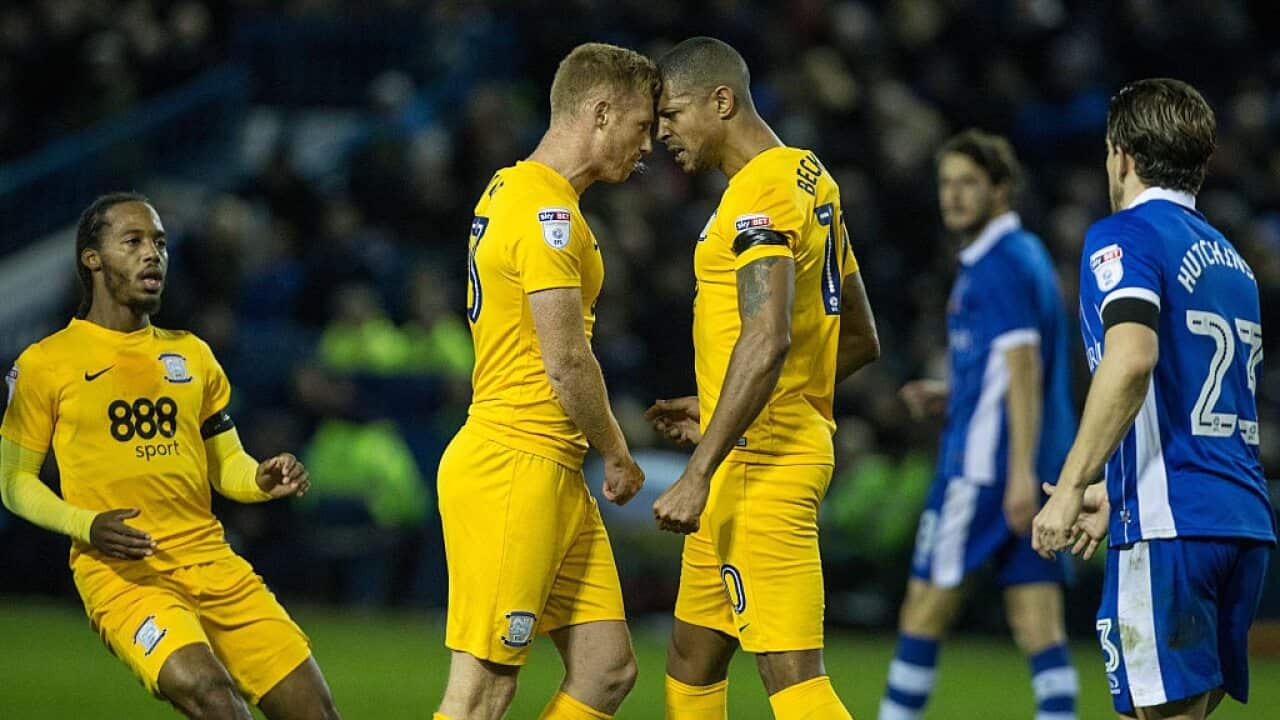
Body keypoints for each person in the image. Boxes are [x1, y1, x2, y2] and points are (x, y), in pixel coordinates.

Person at [0, 192, 340, 720]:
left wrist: (262, 479)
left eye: (159, 242)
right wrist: (85, 524)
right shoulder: (46, 363)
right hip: (124, 574)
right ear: (92, 257)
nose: (152, 254)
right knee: (210, 694)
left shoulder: (191, 354)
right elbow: (13, 482)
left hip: (213, 561)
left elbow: (226, 464)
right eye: (133, 241)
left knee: (315, 713)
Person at [646, 36, 879, 720]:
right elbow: (859, 337)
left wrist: (698, 470)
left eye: (672, 115)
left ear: (722, 101)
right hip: (754, 442)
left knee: (793, 677)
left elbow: (769, 335)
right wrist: (722, 399)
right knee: (691, 660)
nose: (663, 135)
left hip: (759, 464)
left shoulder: (760, 198)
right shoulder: (809, 176)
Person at [1034, 78, 1276, 720]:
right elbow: (1194, 397)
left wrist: (1068, 486)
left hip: (1173, 531)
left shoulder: (1125, 237)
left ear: (1122, 155)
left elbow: (1132, 360)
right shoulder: (1234, 262)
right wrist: (1117, 493)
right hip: (1242, 519)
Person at [434, 42, 656, 720]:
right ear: (600, 111)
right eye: (642, 124)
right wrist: (618, 451)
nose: (649, 143)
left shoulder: (512, 187)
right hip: (514, 466)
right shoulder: (546, 215)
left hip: (547, 469)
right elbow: (564, 359)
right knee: (481, 692)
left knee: (606, 670)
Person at [879, 130, 1079, 720]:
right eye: (947, 184)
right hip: (1031, 462)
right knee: (1036, 623)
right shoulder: (1027, 256)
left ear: (1001, 190)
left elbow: (1021, 370)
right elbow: (1013, 368)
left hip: (984, 469)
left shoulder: (998, 264)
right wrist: (956, 395)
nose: (954, 196)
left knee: (922, 609)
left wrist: (1016, 475)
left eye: (969, 183)